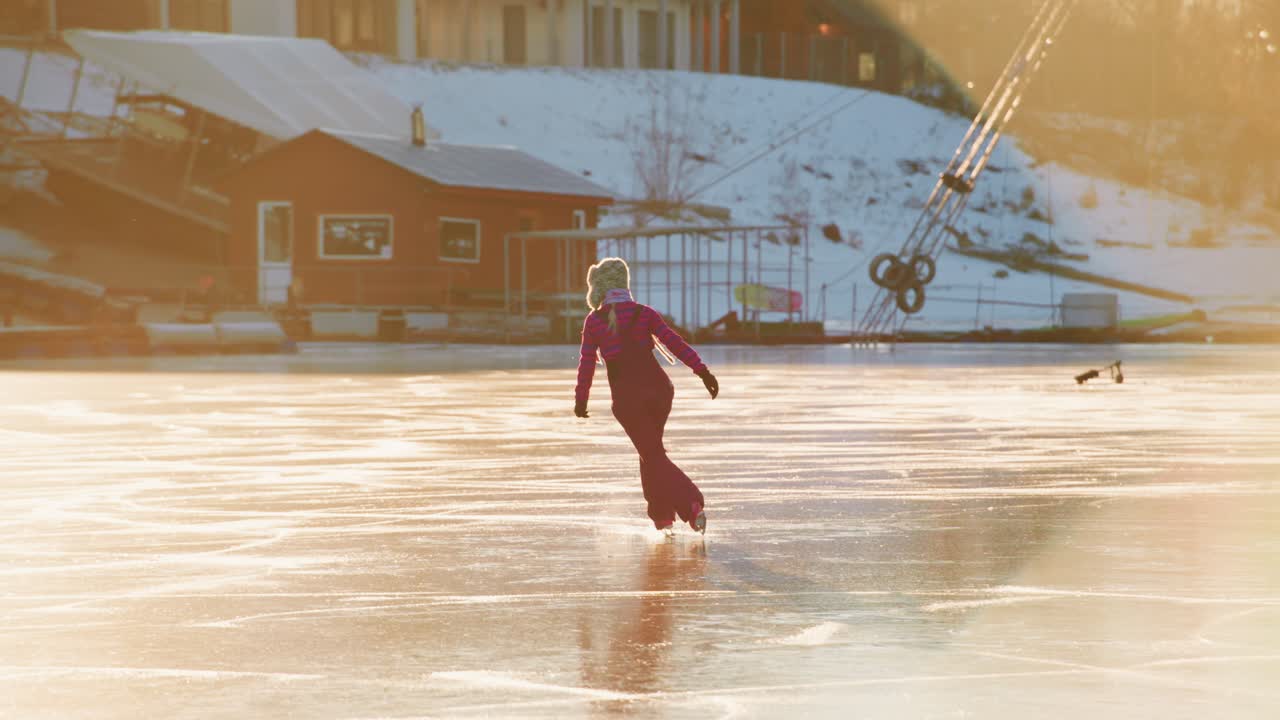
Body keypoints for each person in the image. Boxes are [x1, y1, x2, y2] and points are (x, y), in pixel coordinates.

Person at [574, 257, 719, 534]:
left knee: (651, 454)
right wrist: (702, 371)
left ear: (599, 287)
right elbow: (674, 341)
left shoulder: (594, 321)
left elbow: (587, 362)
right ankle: (661, 515)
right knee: (650, 451)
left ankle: (690, 504)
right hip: (659, 392)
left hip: (628, 398)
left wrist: (582, 399)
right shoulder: (644, 313)